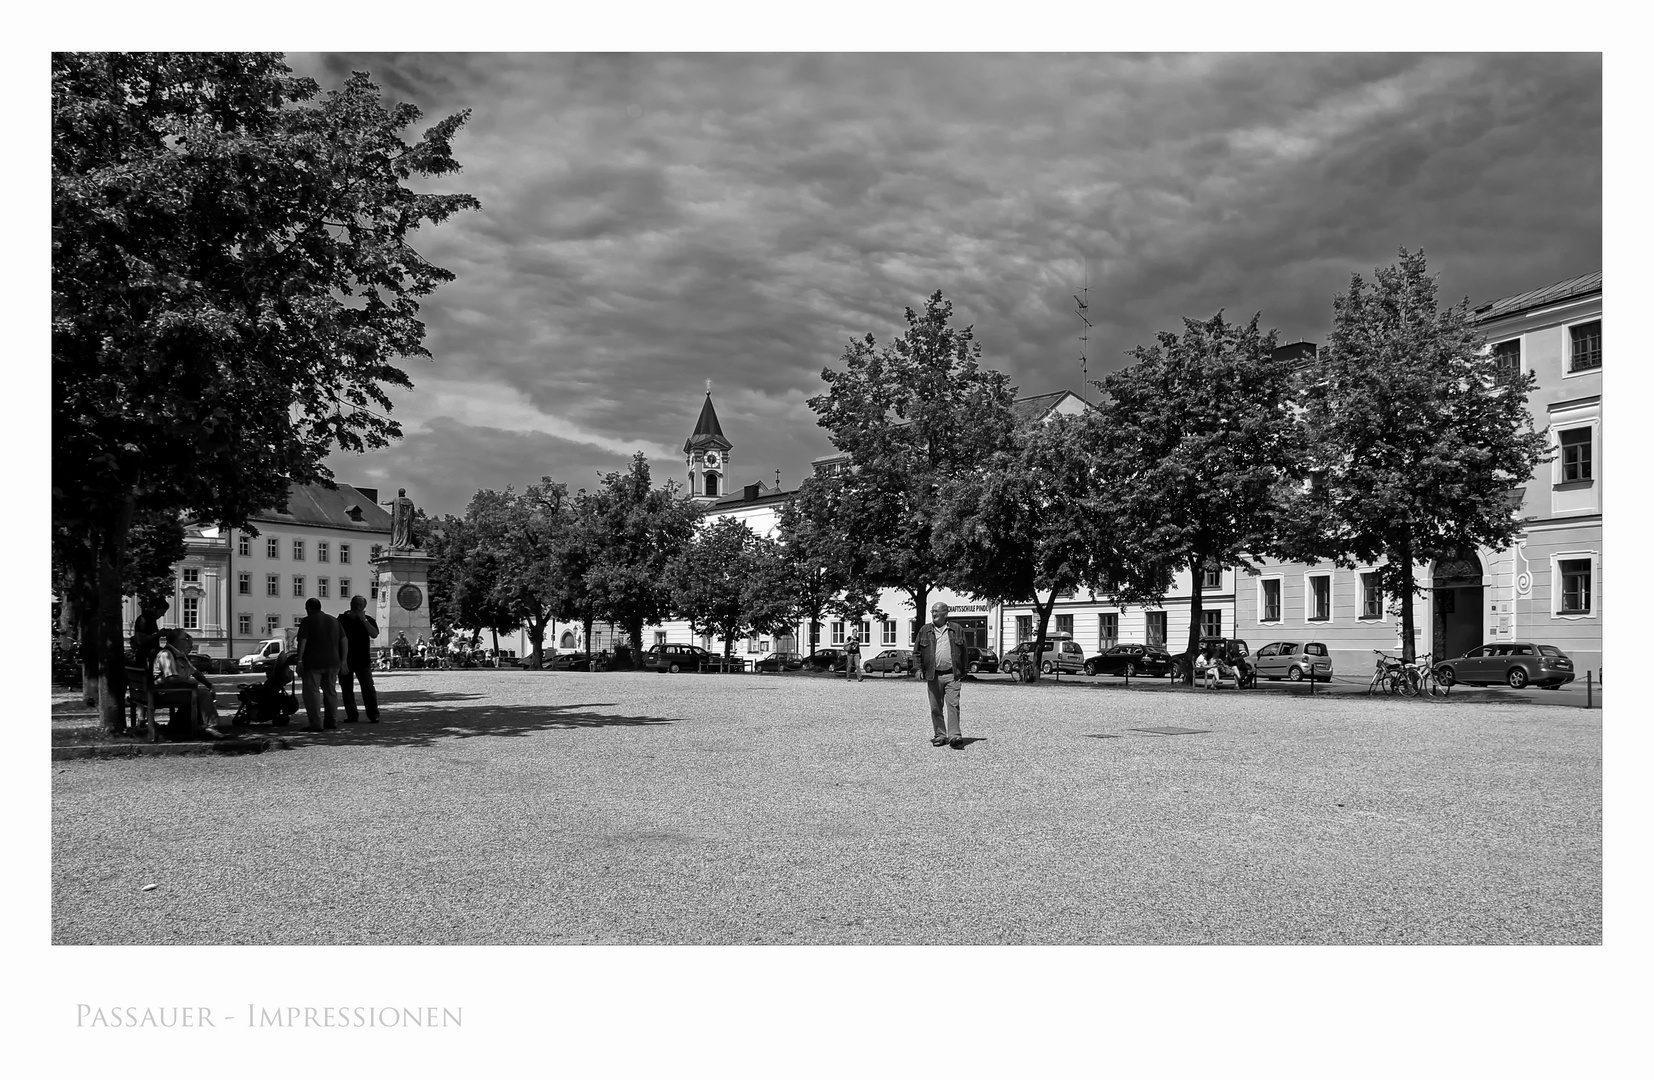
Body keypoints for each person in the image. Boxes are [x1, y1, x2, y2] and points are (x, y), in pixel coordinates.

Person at [151, 630, 225, 739]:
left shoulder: (179, 654)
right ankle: (212, 727)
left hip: (174, 691)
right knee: (203, 695)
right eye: (185, 639)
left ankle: (197, 726)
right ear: (177, 641)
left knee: (201, 693)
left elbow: (194, 672)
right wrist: (191, 684)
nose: (188, 641)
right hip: (164, 693)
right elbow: (171, 679)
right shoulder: (166, 655)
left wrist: (208, 684)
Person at [915, 601, 967, 748]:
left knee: (953, 705)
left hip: (952, 675)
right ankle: (940, 735)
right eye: (932, 611)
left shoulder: (957, 629)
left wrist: (964, 671)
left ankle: (955, 736)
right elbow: (917, 652)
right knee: (935, 708)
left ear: (946, 613)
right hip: (933, 675)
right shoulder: (924, 630)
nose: (934, 614)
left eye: (937, 611)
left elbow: (964, 651)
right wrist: (918, 669)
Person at [295, 597, 348, 731]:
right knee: (330, 691)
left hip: (313, 662)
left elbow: (303, 641)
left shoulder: (307, 621)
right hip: (333, 661)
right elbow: (344, 640)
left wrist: (299, 660)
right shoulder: (334, 621)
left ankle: (316, 723)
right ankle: (331, 721)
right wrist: (344, 660)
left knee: (312, 692)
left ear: (308, 608)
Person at [336, 594, 381, 724]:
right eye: (355, 604)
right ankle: (351, 714)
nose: (357, 607)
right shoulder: (342, 619)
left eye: (360, 605)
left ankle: (373, 714)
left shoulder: (368, 619)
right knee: (346, 689)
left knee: (368, 688)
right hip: (345, 660)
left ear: (364, 607)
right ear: (350, 604)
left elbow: (374, 634)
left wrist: (364, 620)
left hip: (363, 660)